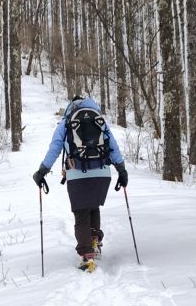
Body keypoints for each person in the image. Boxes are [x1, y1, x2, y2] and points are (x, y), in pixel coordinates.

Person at [32, 95, 128, 269]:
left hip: (77, 173)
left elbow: (55, 148)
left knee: (81, 213)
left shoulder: (66, 122)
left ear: (70, 107)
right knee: (93, 206)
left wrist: (42, 171)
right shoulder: (99, 120)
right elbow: (113, 146)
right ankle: (94, 242)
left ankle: (87, 256)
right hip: (102, 173)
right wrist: (121, 169)